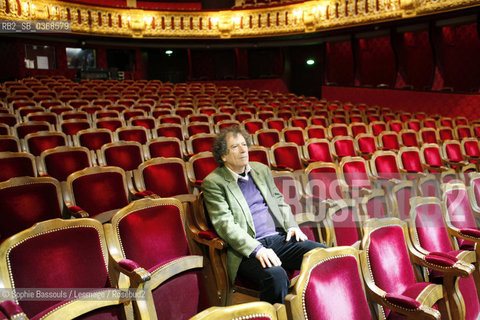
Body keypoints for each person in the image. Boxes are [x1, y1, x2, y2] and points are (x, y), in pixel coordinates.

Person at [202, 126, 326, 304]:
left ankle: (313, 309)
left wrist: (291, 225)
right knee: (276, 276)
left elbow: (278, 200)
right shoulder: (214, 182)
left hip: (278, 239)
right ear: (223, 156)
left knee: (323, 255)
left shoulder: (260, 170)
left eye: (244, 144)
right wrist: (257, 249)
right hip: (247, 250)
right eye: (235, 146)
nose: (244, 149)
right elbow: (224, 224)